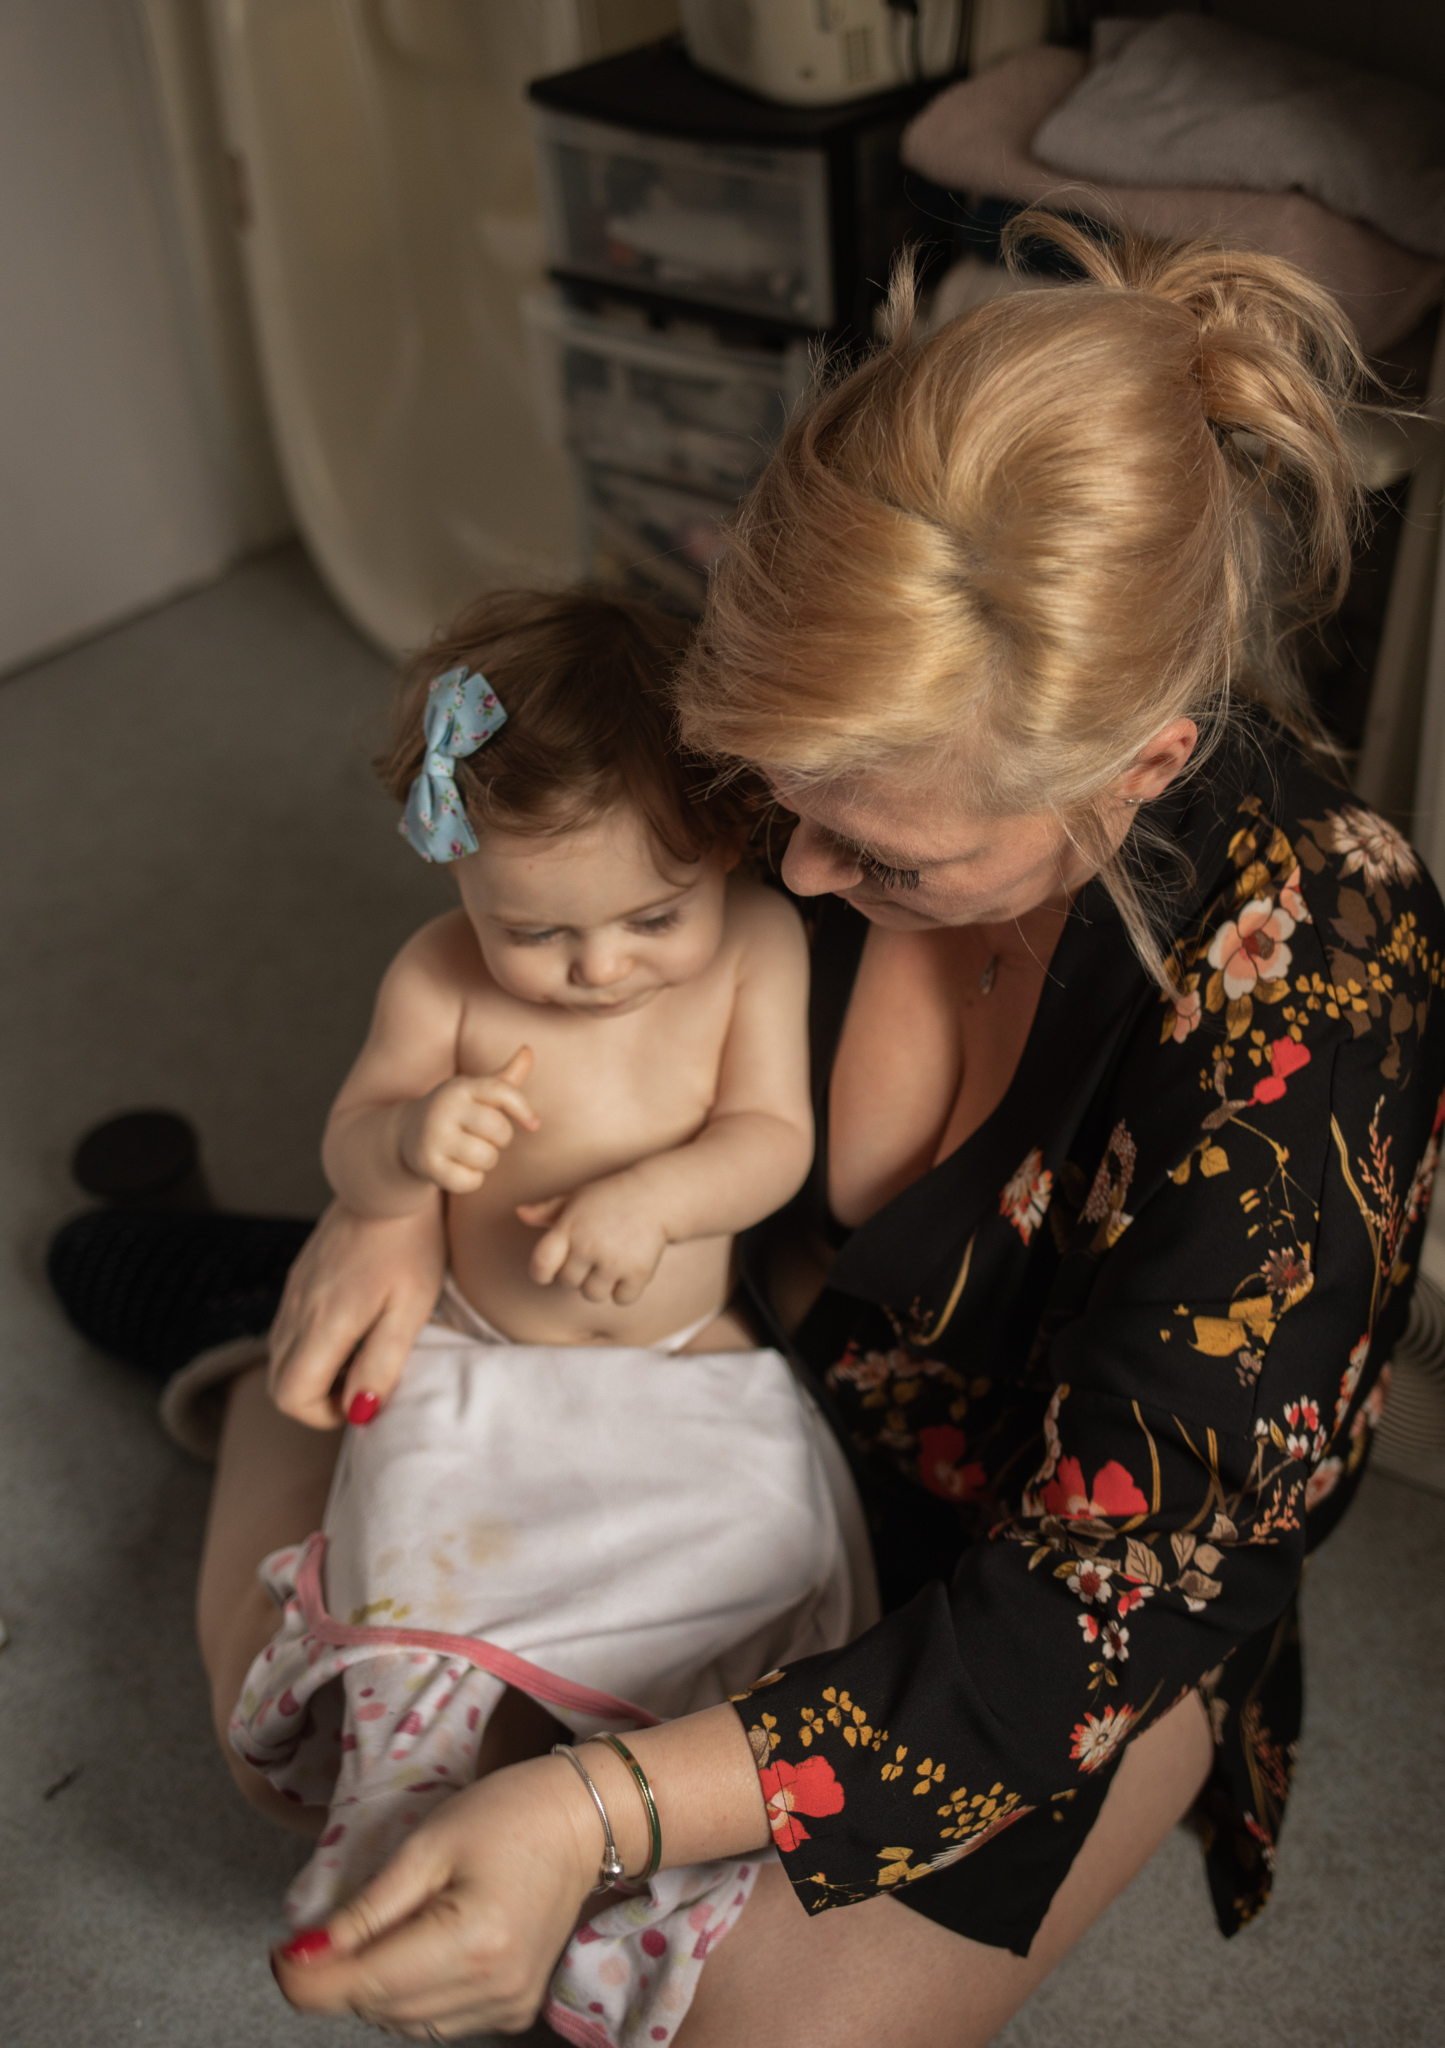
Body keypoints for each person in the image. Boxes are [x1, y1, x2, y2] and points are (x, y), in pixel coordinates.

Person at [186, 215, 1445, 2044]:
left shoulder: (1320, 957)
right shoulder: (823, 706)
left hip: (1042, 1574)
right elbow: (531, 951)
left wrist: (598, 1807)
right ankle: (253, 1331)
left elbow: (1121, 1582)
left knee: (754, 2018)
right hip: (694, 1361)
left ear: (1138, 769)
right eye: (779, 802)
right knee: (317, 1776)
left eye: (889, 859)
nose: (792, 872)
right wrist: (376, 1215)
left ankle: (245, 1321)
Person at [220, 587, 872, 2042]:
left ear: (722, 852)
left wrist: (662, 1195)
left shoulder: (757, 945)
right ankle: (396, 1837)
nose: (597, 968)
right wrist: (409, 1144)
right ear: (460, 881)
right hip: (479, 1345)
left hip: (677, 1356)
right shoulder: (440, 976)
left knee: (738, 1576)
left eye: (654, 914)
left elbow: (772, 1137)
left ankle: (642, 1873)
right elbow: (353, 1140)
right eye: (539, 931)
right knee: (419, 1565)